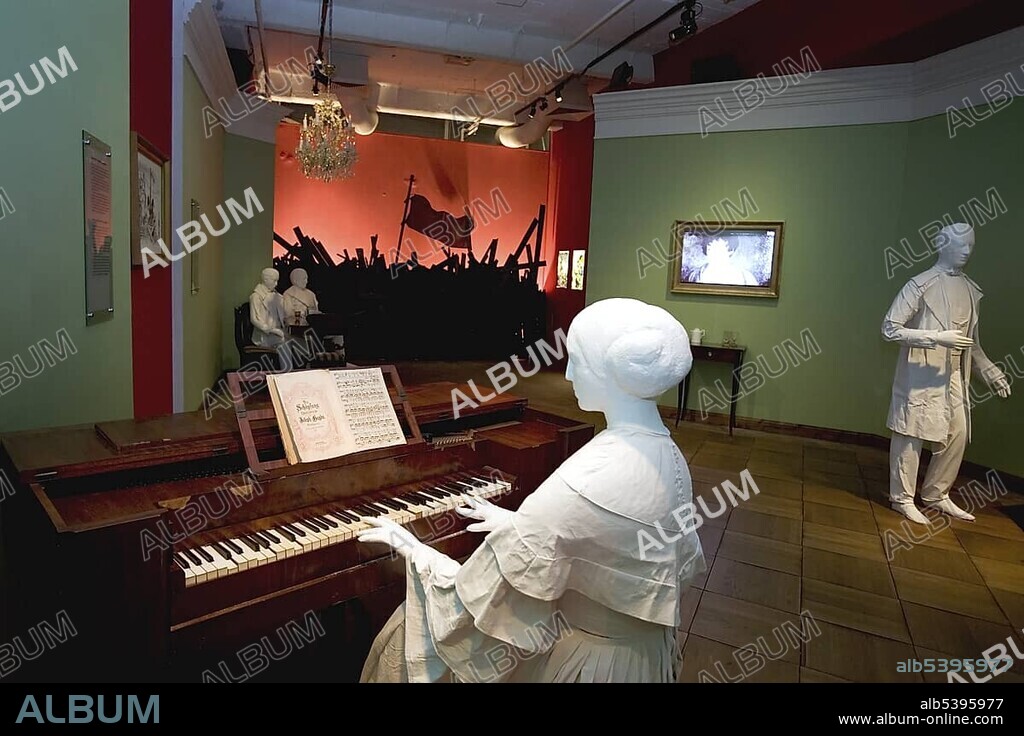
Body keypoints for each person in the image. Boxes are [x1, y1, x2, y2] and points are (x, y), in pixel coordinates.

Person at [357, 298, 706, 682]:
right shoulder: (667, 451)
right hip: (643, 657)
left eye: (578, 361)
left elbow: (468, 600)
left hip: (591, 664)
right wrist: (519, 524)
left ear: (613, 373)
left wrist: (415, 550)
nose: (570, 375)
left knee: (397, 639)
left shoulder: (590, 474)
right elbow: (609, 545)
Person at [882, 223, 1010, 524]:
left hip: (954, 372)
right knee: (910, 433)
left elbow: (972, 345)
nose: (966, 251)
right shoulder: (920, 284)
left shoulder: (970, 289)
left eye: (970, 246)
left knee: (958, 432)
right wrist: (936, 338)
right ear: (942, 245)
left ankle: (936, 493)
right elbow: (890, 328)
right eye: (960, 245)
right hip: (921, 372)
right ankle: (901, 497)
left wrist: (991, 372)